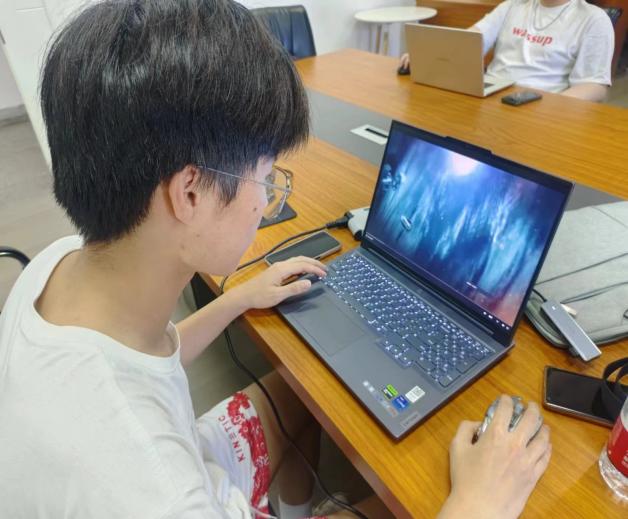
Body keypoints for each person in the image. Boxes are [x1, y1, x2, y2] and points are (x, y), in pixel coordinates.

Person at [0, 1, 551, 518]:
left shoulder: (62, 264)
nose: (268, 198)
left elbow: (148, 359)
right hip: (194, 482)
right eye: (265, 176)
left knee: (298, 397)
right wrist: (478, 504)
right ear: (189, 193)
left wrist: (238, 299)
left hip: (185, 451)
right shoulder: (155, 492)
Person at [400, 0, 614, 102]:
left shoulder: (593, 19)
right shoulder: (513, 6)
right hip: (490, 96)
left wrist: (550, 107)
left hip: (540, 103)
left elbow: (594, 86)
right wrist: (430, 53)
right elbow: (470, 40)